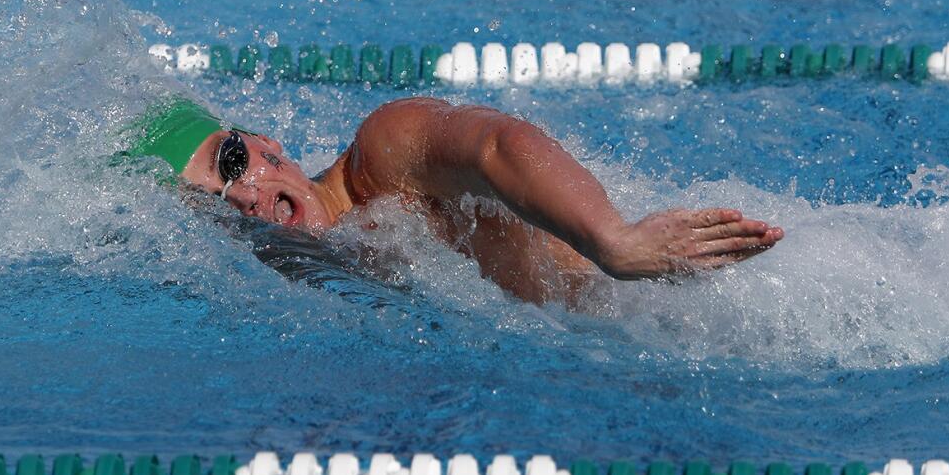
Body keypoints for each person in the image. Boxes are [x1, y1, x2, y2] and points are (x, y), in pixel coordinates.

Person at [120, 95, 784, 304]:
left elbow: (495, 143)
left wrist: (615, 241)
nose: (245, 196)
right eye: (213, 202)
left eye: (231, 162)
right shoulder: (302, 275)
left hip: (704, 288)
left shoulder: (380, 160)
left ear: (267, 144)